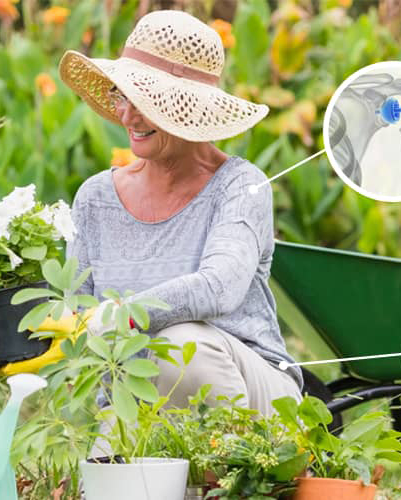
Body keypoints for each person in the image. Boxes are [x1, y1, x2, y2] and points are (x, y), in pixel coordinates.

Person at [57, 10, 302, 414]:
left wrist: (120, 315)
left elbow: (217, 288)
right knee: (107, 465)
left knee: (180, 346)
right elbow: (78, 317)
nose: (128, 116)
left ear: (188, 105)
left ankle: (233, 472)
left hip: (254, 393)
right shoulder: (95, 198)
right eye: (123, 95)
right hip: (136, 401)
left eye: (146, 101)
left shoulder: (241, 186)